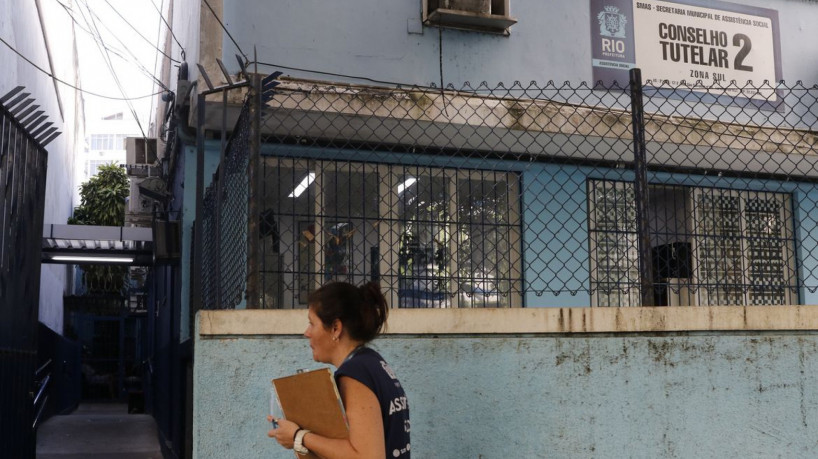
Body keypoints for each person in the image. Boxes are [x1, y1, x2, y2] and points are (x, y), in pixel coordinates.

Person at [268, 281, 411, 458]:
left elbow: (367, 456)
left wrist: (299, 436)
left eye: (312, 324)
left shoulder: (354, 375)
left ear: (336, 328)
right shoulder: (372, 362)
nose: (307, 333)